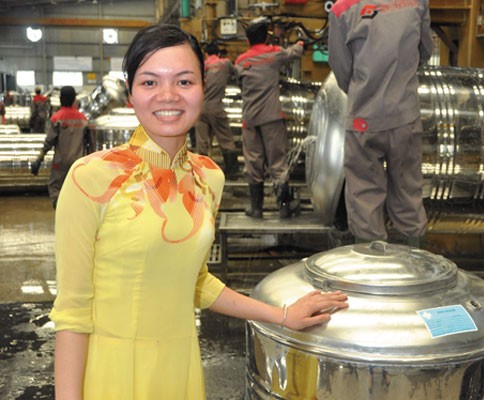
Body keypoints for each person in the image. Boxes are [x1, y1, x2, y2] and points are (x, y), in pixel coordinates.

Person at [49, 24, 349, 400]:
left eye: (184, 81)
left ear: (203, 89)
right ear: (130, 94)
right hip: (112, 375)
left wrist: (282, 315)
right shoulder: (91, 178)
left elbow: (195, 280)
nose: (168, 96)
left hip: (181, 369)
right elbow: (73, 313)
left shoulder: (208, 176)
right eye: (149, 82)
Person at [328, 0, 434, 247]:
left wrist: (364, 90)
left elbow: (341, 67)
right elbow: (425, 50)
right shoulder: (417, 2)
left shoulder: (342, 9)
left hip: (364, 118)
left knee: (364, 195)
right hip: (405, 115)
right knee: (409, 193)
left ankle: (371, 276)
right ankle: (416, 269)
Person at [235, 20, 304, 219]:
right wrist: (300, 43)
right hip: (271, 117)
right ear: (266, 36)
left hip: (249, 119)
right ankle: (284, 207)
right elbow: (294, 53)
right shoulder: (273, 53)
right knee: (277, 162)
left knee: (253, 162)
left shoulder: (240, 61)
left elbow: (241, 85)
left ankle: (256, 208)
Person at [30, 86, 92, 209]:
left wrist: (39, 160)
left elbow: (49, 142)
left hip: (60, 164)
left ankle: (60, 211)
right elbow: (89, 144)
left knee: (55, 187)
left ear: (61, 99)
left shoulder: (56, 118)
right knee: (77, 189)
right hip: (78, 163)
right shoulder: (83, 120)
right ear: (74, 99)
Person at [195, 42, 239, 180]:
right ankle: (231, 170)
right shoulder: (225, 63)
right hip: (216, 107)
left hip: (200, 108)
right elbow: (237, 73)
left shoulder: (201, 66)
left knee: (202, 142)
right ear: (218, 53)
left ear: (206, 54)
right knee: (225, 139)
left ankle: (202, 172)